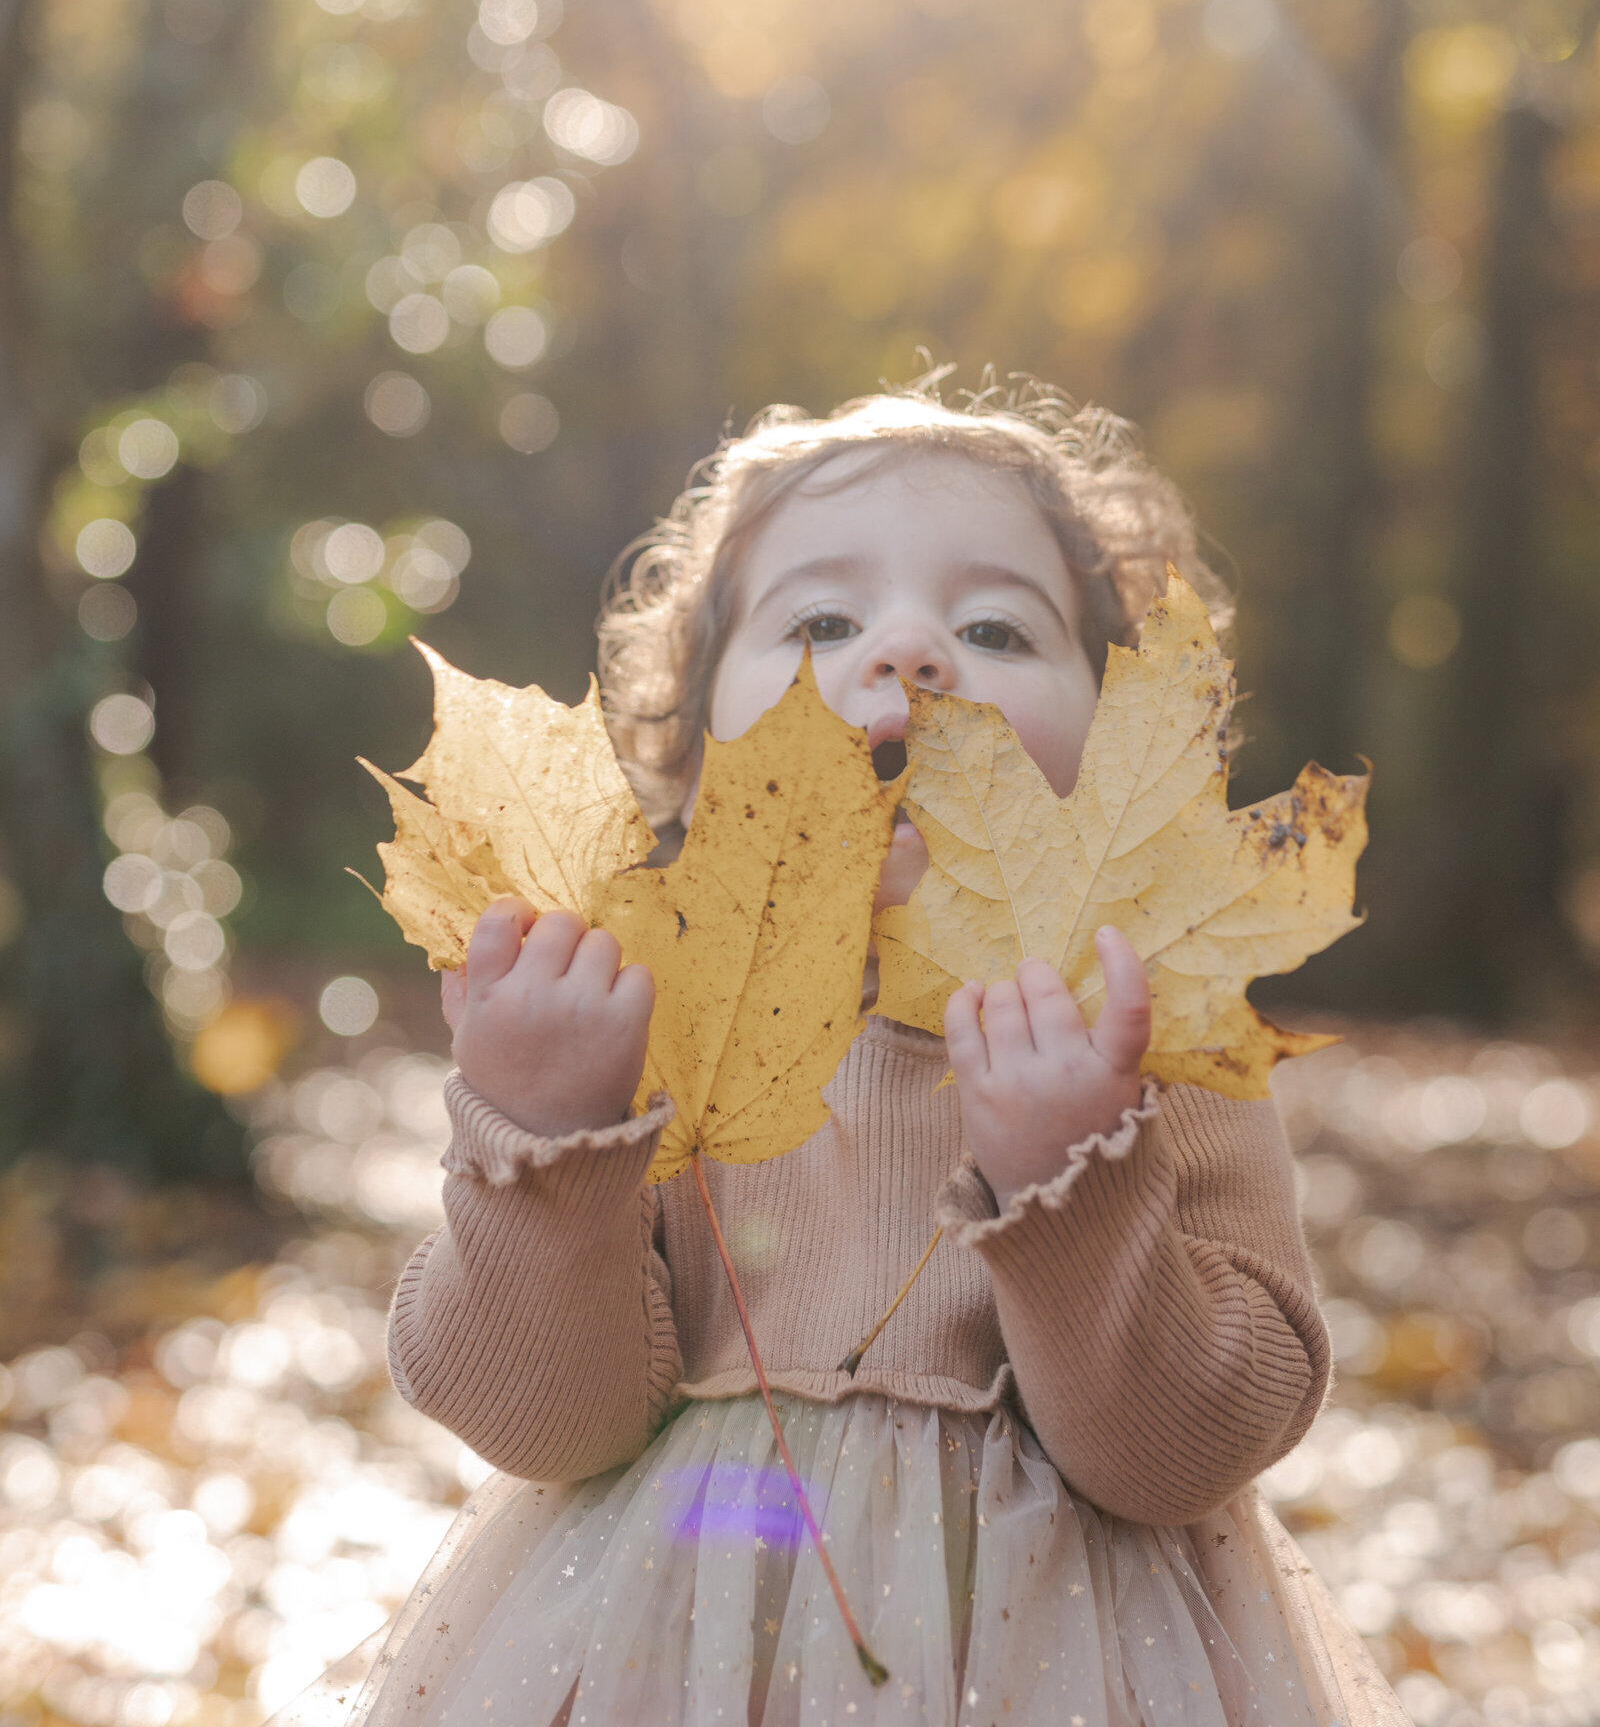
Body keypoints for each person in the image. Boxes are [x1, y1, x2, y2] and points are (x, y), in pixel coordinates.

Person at [335, 382, 1406, 1727]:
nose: (908, 651)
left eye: (998, 627)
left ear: (1124, 728)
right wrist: (544, 1136)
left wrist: (1075, 1179)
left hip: (1056, 1667)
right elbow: (549, 1424)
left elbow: (1188, 1451)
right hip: (672, 1654)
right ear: (694, 742)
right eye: (823, 621)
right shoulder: (646, 1026)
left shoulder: (1145, 1036)